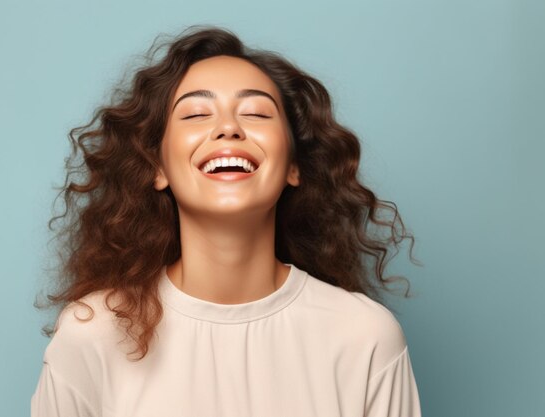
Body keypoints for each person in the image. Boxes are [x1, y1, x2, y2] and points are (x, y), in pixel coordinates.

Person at [31, 25, 422, 417]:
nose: (228, 128)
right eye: (197, 114)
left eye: (256, 113)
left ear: (294, 167)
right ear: (157, 167)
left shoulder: (364, 336)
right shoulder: (92, 335)